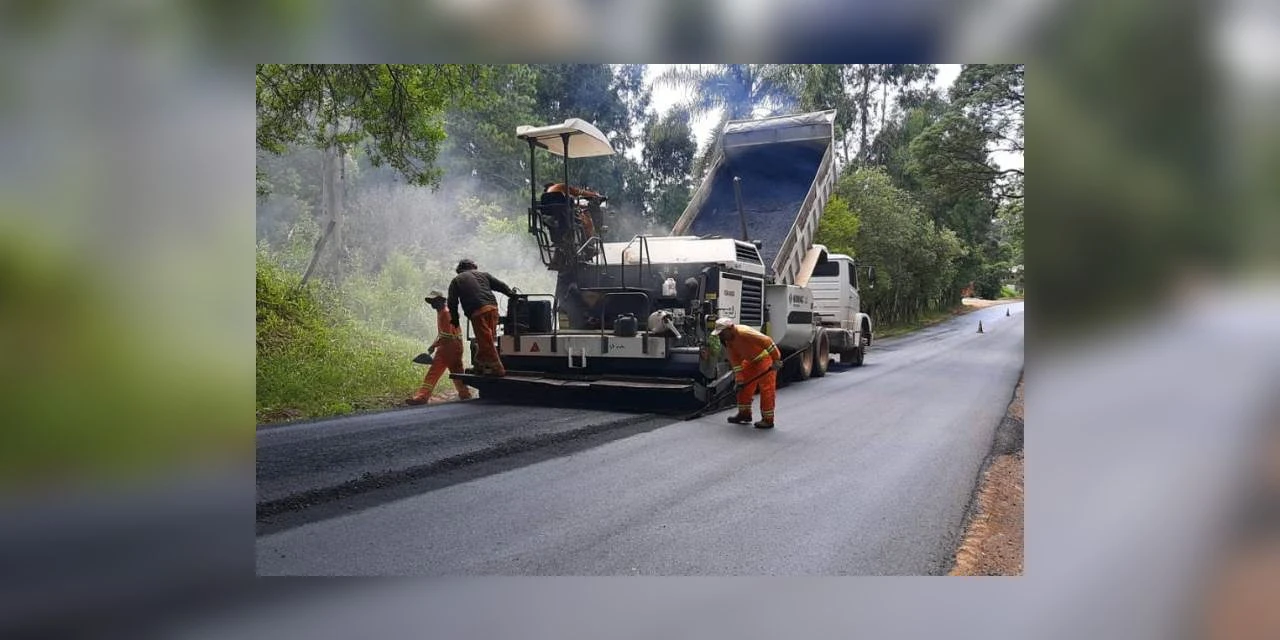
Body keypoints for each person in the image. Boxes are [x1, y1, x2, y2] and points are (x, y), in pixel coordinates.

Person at [448, 258, 518, 377]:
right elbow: (500, 285)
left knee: (486, 340)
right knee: (488, 338)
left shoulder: (456, 280)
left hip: (477, 311)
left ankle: (498, 368)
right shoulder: (484, 275)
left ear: (460, 269)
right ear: (473, 266)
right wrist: (512, 294)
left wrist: (455, 319)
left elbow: (452, 302)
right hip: (492, 308)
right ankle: (479, 364)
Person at [712, 317, 783, 429]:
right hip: (750, 361)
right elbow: (735, 361)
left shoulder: (744, 332)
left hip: (764, 359)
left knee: (766, 389)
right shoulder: (729, 341)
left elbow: (767, 341)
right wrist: (739, 379)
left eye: (721, 333)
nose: (720, 336)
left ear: (730, 329)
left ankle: (768, 419)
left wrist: (776, 359)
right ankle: (744, 414)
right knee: (743, 386)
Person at [406, 291, 473, 405]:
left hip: (449, 347)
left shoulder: (445, 313)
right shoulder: (442, 312)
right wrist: (433, 345)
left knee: (434, 372)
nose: (432, 303)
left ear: (441, 301)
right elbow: (441, 333)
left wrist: (434, 346)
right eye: (431, 301)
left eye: (434, 301)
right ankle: (465, 395)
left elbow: (446, 336)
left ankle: (422, 397)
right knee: (457, 372)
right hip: (454, 346)